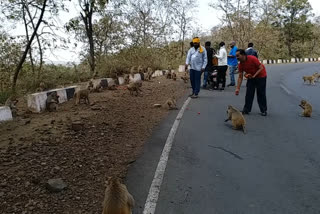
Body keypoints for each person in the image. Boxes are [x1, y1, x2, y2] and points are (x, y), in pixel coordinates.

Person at [235, 49, 267, 116]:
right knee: (249, 93)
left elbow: (261, 68)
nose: (237, 57)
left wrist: (254, 76)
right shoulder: (240, 65)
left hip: (261, 76)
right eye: (236, 56)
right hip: (251, 77)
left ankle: (263, 110)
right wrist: (237, 88)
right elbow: (240, 77)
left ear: (243, 55)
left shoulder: (252, 58)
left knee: (261, 93)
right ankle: (246, 109)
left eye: (238, 56)